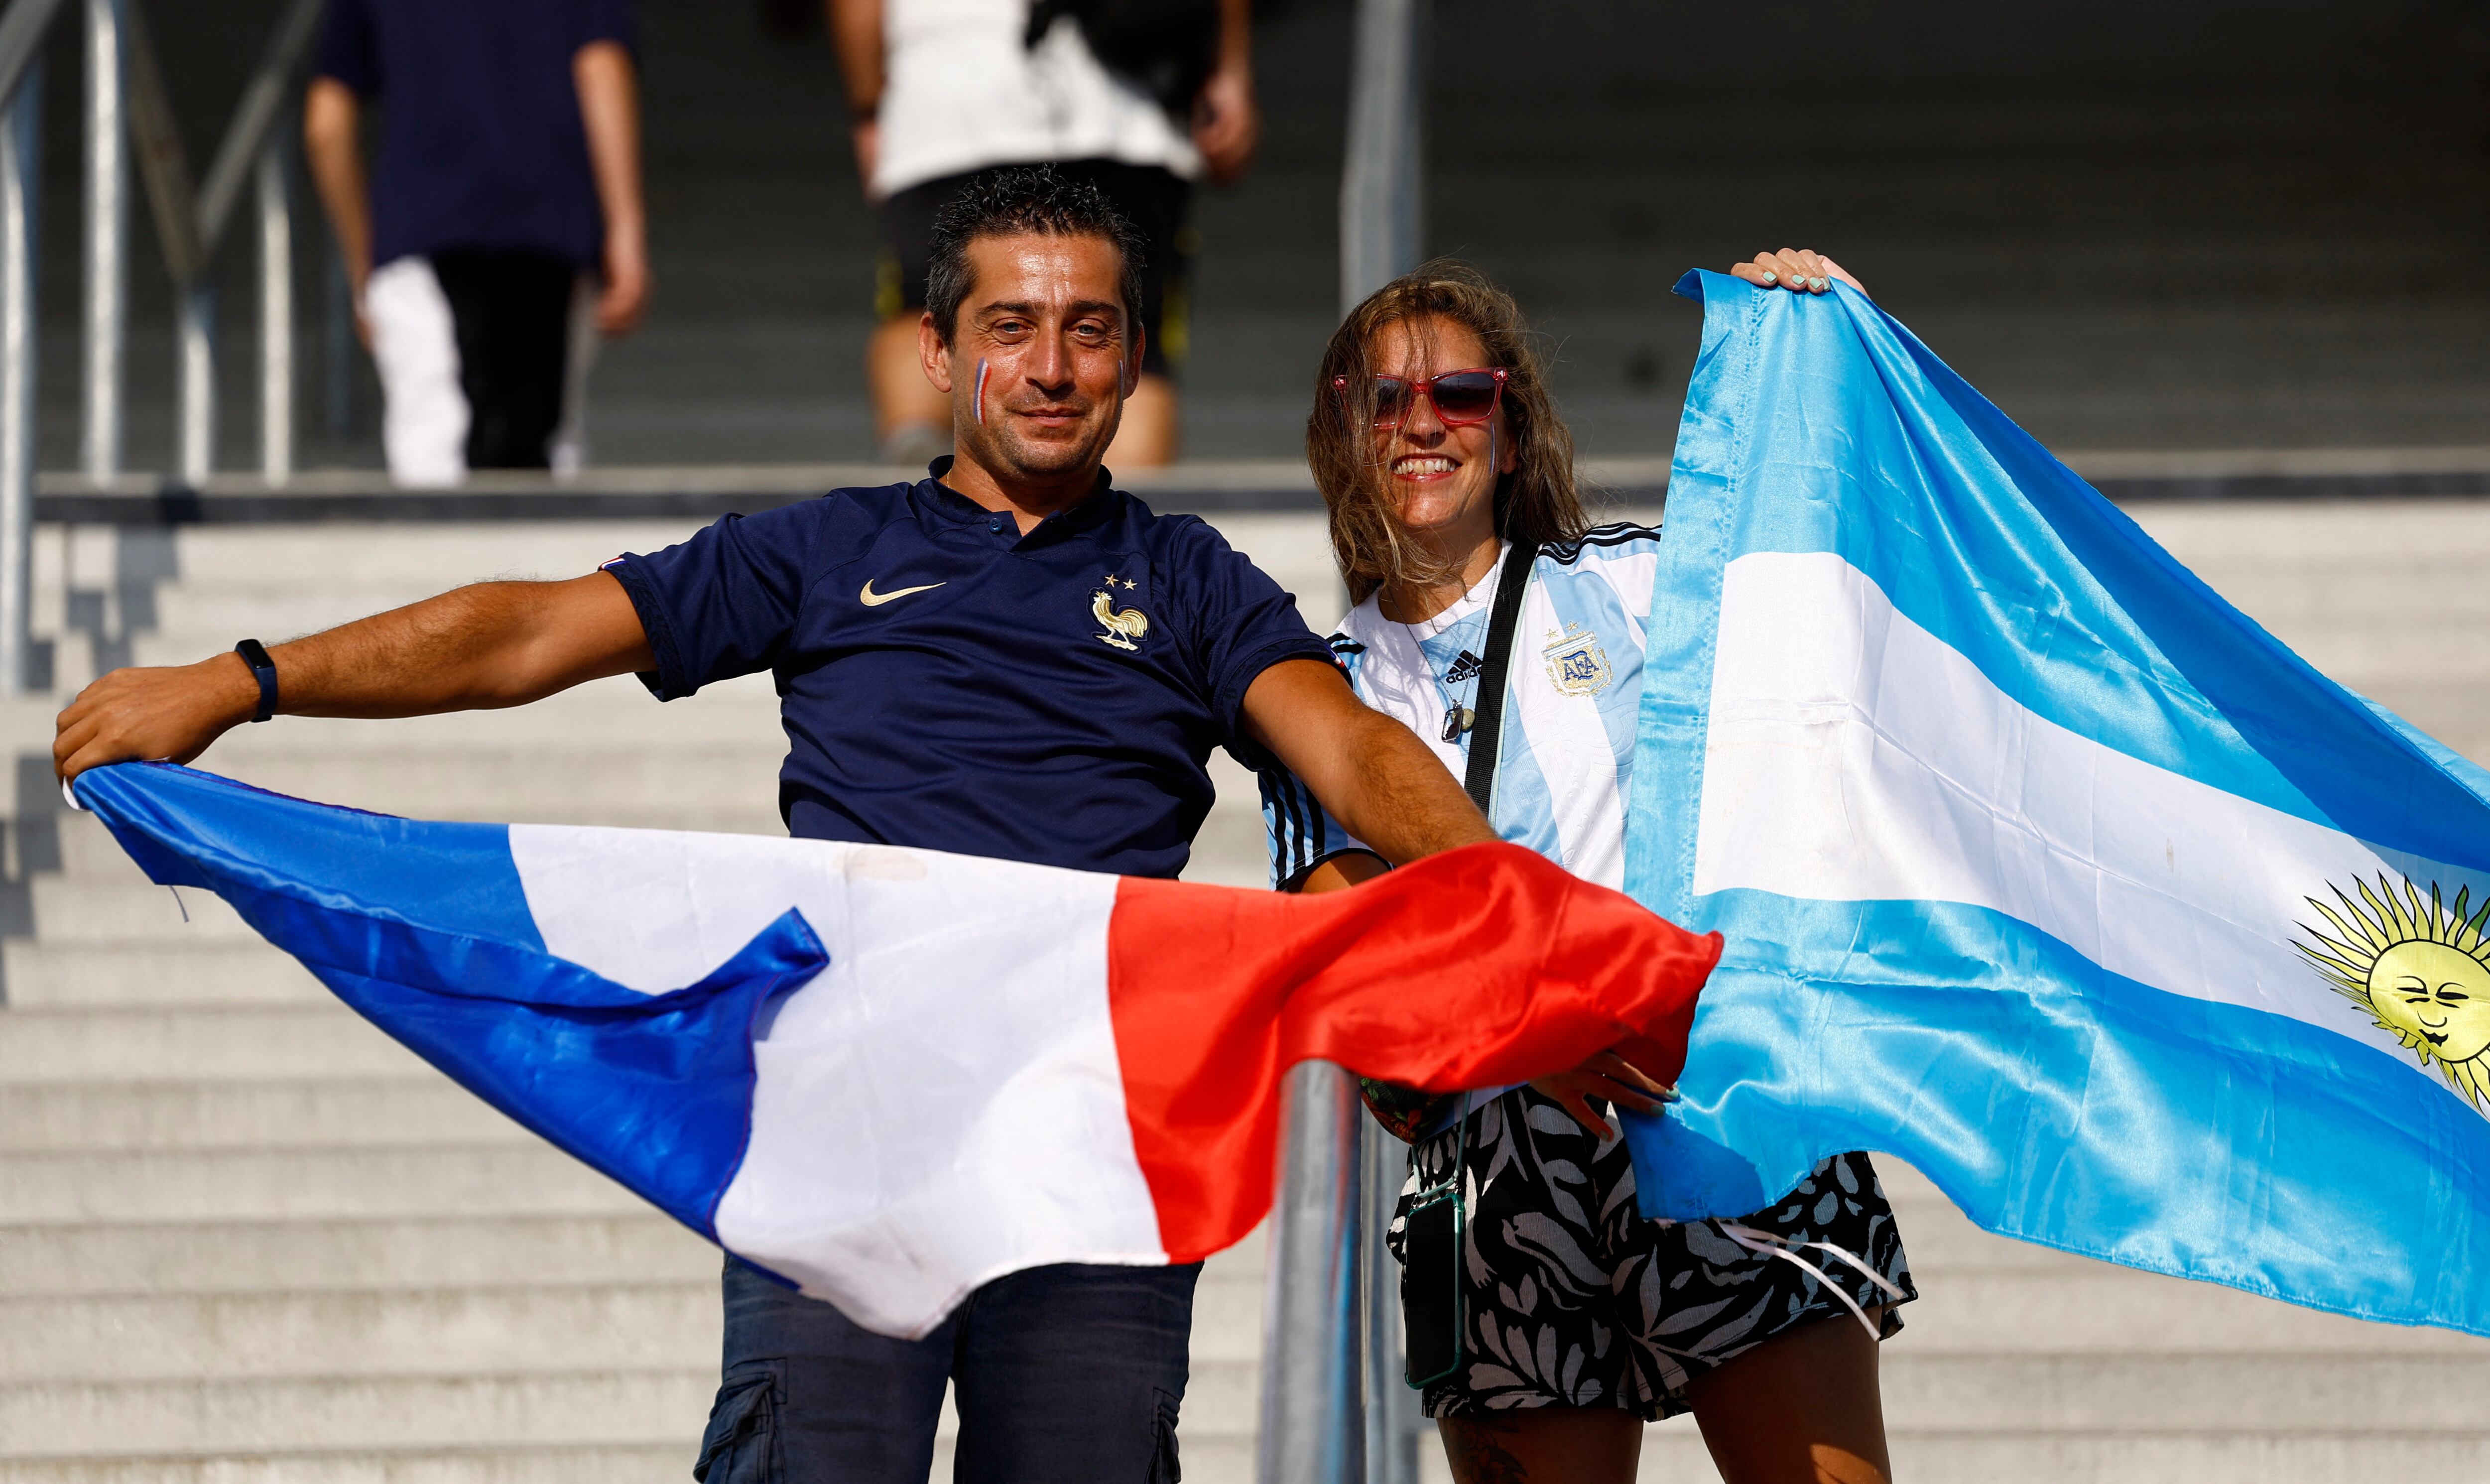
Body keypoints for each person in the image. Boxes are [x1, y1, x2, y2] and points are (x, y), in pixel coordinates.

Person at [53, 170, 1518, 1484]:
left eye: (1088, 329)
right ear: (936, 352)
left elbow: (1350, 750)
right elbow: (525, 637)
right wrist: (244, 680)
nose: (1050, 364)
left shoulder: (1194, 582)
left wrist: (1495, 896)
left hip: (1086, 1137)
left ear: (1135, 359)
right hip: (842, 1125)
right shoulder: (824, 552)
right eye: (1008, 326)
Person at [1259, 251, 1916, 1484]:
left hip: (1708, 1090)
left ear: (1508, 433)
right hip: (1495, 1153)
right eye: (1380, 398)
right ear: (1337, 430)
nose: (1420, 424)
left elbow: (1834, 556)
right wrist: (1521, 1025)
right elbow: (1338, 943)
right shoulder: (1309, 682)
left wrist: (1817, 330)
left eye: (1458, 395)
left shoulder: (1640, 577)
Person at [829, 0, 1257, 467]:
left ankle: (918, 470)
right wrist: (1228, 71)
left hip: (949, 97)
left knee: (925, 303)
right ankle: (1122, 520)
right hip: (1125, 107)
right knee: (1119, 328)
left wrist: (870, 106)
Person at [304, 0, 652, 486]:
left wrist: (365, 268)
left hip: (420, 235)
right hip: (551, 228)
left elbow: (326, 123)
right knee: (546, 458)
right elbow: (601, 69)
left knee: (434, 457)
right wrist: (625, 231)